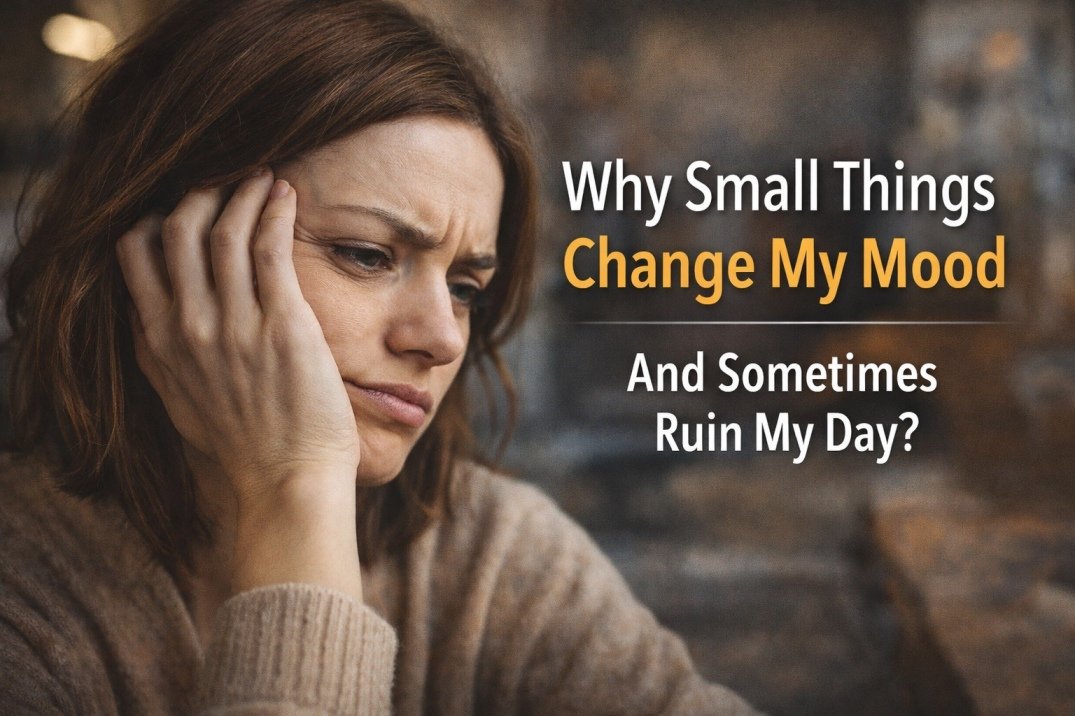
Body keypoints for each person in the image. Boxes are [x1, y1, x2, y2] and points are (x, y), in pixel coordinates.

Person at [0, 0, 758, 713]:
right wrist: (294, 486)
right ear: (175, 252)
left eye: (465, 287)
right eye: (366, 254)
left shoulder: (493, 557)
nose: (442, 337)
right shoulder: (23, 596)